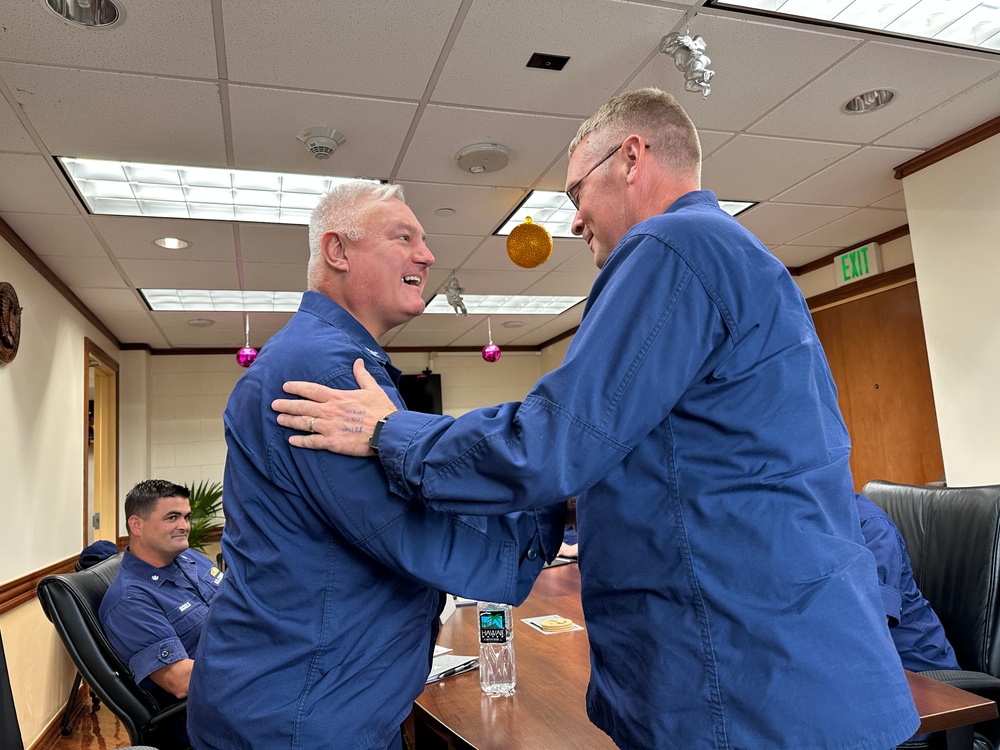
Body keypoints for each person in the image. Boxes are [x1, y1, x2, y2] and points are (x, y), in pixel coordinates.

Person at [272, 88, 921, 748]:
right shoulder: (739, 256)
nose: (576, 222)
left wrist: (390, 432)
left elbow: (554, 441)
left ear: (632, 158)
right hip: (787, 662)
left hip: (739, 674)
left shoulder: (670, 245)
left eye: (576, 193)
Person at [186, 181, 562, 750]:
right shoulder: (322, 369)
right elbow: (413, 532)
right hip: (299, 712)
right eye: (403, 237)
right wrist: (558, 490)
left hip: (312, 698)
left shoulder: (334, 358)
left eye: (425, 241)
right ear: (337, 251)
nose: (428, 255)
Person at [99, 479, 223, 701]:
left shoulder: (189, 558)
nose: (185, 526)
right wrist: (255, 659)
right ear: (137, 525)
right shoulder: (129, 601)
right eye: (172, 517)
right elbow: (180, 680)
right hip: (214, 704)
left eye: (186, 517)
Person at [856, 494, 959, 673]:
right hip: (875, 668)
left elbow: (872, 624)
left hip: (921, 673)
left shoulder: (871, 526)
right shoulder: (811, 527)